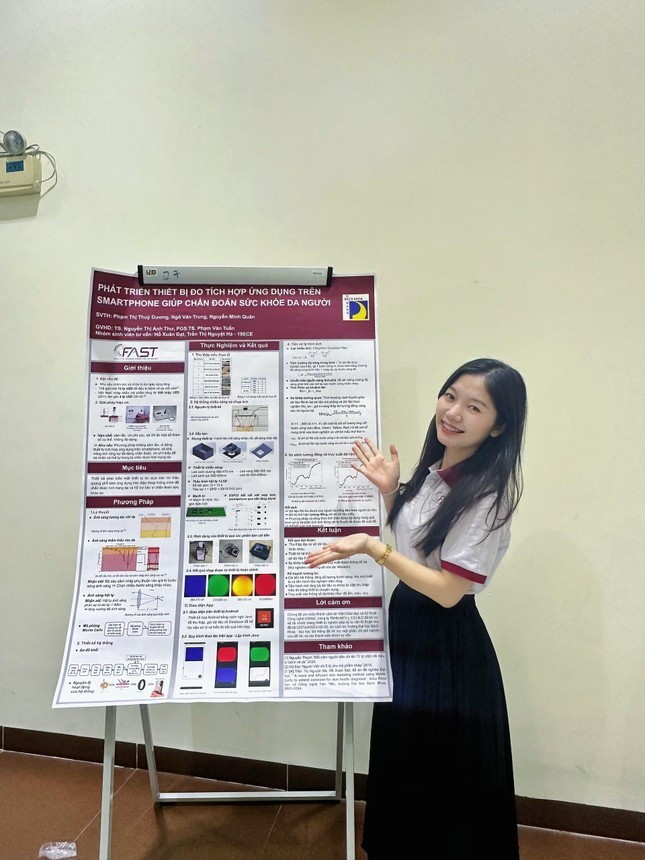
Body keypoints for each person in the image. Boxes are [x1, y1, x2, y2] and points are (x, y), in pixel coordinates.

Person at [306, 358, 527, 859]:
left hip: (446, 639)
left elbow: (448, 590)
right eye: (450, 396)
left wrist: (372, 547)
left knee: (440, 764)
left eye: (475, 407)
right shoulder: (436, 473)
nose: (454, 412)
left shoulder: (488, 495)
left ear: (499, 426)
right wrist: (391, 493)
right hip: (409, 621)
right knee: (406, 750)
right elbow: (416, 549)